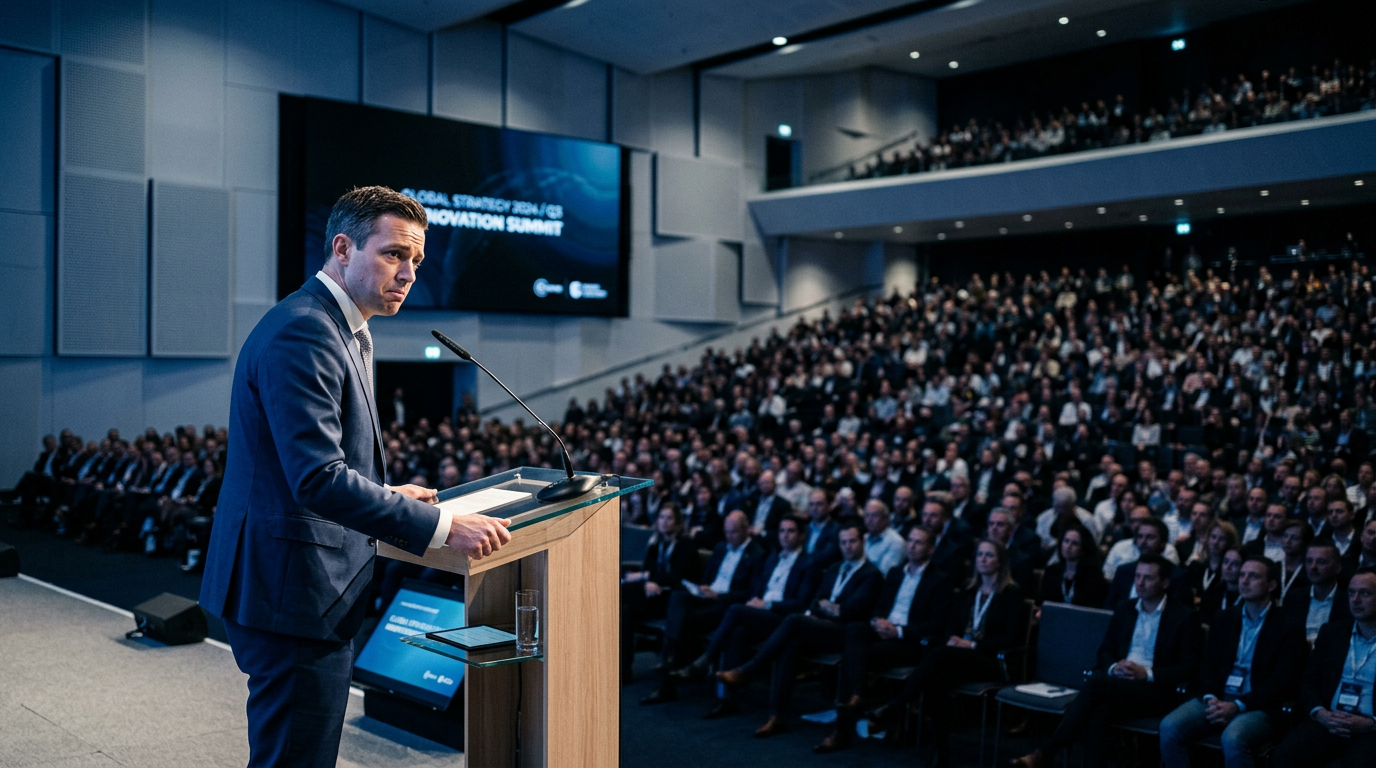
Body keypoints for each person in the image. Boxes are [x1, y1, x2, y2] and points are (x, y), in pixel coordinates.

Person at [200, 186, 513, 766]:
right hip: (292, 588)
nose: (409, 273)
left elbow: (295, 464)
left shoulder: (337, 327)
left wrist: (387, 495)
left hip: (291, 580)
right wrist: (441, 525)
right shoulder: (307, 330)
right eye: (395, 254)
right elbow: (317, 478)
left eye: (417, 260)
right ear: (342, 248)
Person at [1014, 555, 1202, 768]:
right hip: (1119, 685)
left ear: (1165, 583)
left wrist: (1146, 673)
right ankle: (1055, 756)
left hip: (1156, 689)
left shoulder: (1183, 616)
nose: (1139, 583)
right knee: (1098, 711)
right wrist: (1115, 667)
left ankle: (1046, 752)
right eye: (1137, 576)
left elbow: (1189, 667)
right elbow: (1106, 651)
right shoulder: (1125, 609)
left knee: (1096, 684)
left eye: (1147, 578)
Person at [854, 539, 1029, 765]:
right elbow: (949, 627)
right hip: (959, 656)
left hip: (993, 659)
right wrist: (954, 640)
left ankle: (895, 708)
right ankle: (941, 750)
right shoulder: (968, 590)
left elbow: (1010, 637)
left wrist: (972, 645)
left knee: (939, 656)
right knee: (936, 679)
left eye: (989, 555)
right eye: (980, 555)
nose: (983, 560)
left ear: (1001, 561)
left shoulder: (1011, 593)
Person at [715, 522, 882, 737]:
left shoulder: (871, 574)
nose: (847, 546)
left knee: (794, 620)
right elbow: (815, 603)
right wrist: (828, 607)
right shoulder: (834, 568)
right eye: (843, 542)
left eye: (852, 541)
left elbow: (851, 611)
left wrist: (829, 607)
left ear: (863, 542)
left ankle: (748, 671)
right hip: (821, 626)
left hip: (845, 634)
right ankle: (776, 716)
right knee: (790, 645)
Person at [813, 526, 955, 752]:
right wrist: (878, 621)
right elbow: (879, 607)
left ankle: (841, 729)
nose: (912, 546)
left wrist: (898, 631)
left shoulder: (940, 580)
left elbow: (936, 626)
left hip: (911, 642)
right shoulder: (896, 573)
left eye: (919, 542)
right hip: (884, 633)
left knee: (853, 656)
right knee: (855, 629)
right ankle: (859, 694)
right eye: (910, 541)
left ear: (931, 548)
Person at [1158, 556, 1308, 767]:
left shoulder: (1288, 626)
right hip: (1218, 697)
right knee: (1169, 726)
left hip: (1258, 704)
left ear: (1272, 585)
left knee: (1232, 737)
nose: (1244, 581)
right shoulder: (1225, 618)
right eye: (1242, 575)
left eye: (1253, 576)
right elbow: (1207, 666)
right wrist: (1211, 699)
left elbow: (1282, 683)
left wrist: (1238, 705)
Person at [667, 515, 819, 715]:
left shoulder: (808, 563)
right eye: (782, 531)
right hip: (760, 612)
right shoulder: (773, 557)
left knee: (735, 610)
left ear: (801, 536)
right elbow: (757, 588)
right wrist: (754, 601)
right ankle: (727, 699)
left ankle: (705, 660)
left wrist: (767, 604)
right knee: (737, 631)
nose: (785, 536)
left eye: (791, 531)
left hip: (782, 619)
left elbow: (800, 603)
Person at [646, 510, 765, 697]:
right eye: (726, 532)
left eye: (733, 532)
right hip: (707, 597)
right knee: (678, 597)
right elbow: (707, 577)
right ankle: (671, 656)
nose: (729, 536)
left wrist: (718, 595)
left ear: (745, 531)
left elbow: (750, 593)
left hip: (725, 604)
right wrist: (702, 587)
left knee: (682, 621)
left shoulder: (757, 555)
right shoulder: (720, 547)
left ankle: (668, 673)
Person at [1272, 569, 1376, 767]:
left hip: (1369, 728)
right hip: (1329, 719)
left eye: (1365, 593)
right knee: (1284, 755)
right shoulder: (1332, 632)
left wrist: (1371, 723)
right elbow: (1309, 680)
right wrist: (1321, 713)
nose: (1355, 600)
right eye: (1351, 593)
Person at [622, 503, 700, 678]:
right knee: (624, 611)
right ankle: (623, 670)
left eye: (669, 518)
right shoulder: (656, 542)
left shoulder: (686, 544)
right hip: (652, 595)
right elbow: (650, 569)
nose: (664, 522)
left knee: (623, 594)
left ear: (678, 522)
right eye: (661, 517)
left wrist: (650, 579)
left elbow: (678, 576)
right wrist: (649, 581)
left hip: (673, 599)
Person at [1104, 517, 1191, 607]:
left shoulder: (1177, 576)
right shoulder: (1123, 571)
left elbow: (1180, 613)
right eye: (1140, 536)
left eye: (1150, 537)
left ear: (1163, 543)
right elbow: (1108, 609)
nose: (1143, 541)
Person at [1284, 541, 1353, 644]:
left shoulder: (1349, 600)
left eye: (1321, 562)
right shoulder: (1293, 598)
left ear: (1337, 568)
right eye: (1309, 561)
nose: (1313, 567)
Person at [1040, 523, 1108, 608]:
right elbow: (1042, 602)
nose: (1068, 546)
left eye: (1075, 543)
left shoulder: (1093, 575)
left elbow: (1094, 607)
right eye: (1066, 541)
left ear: (1083, 548)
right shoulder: (1052, 571)